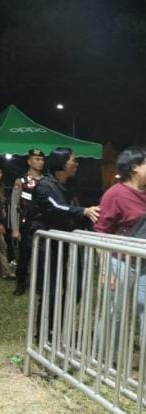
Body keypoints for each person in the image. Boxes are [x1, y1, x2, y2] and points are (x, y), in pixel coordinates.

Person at [28, 147, 99, 340]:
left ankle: (60, 326)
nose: (76, 164)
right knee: (51, 290)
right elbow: (55, 207)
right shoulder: (44, 186)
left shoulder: (70, 187)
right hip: (49, 246)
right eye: (73, 160)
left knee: (76, 289)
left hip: (69, 243)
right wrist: (83, 211)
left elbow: (75, 210)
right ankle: (45, 333)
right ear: (62, 163)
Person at [94, 146, 146, 349]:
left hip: (144, 264)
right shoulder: (115, 194)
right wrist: (106, 270)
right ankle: (102, 359)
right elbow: (101, 232)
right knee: (115, 311)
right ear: (134, 167)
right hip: (121, 263)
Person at [10, 149, 45, 296]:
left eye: (42, 159)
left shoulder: (46, 181)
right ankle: (20, 285)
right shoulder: (21, 181)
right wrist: (15, 228)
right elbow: (14, 205)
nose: (40, 162)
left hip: (42, 225)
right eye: (37, 159)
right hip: (26, 225)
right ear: (29, 161)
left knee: (41, 257)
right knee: (24, 256)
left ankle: (39, 285)